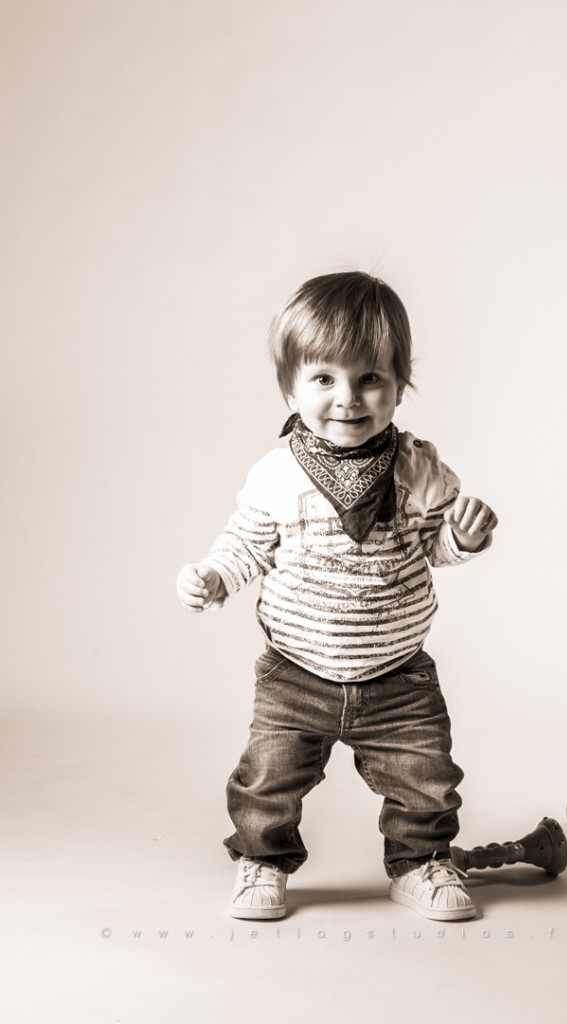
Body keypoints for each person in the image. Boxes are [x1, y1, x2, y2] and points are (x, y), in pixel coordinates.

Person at [176, 271, 497, 922]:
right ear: (289, 385)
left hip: (396, 674)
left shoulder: (418, 471)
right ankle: (262, 862)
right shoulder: (277, 474)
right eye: (323, 379)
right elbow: (248, 544)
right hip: (297, 672)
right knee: (266, 780)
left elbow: (430, 548)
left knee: (426, 780)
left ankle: (419, 863)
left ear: (399, 383)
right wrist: (213, 576)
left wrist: (460, 540)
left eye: (369, 378)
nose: (347, 399)